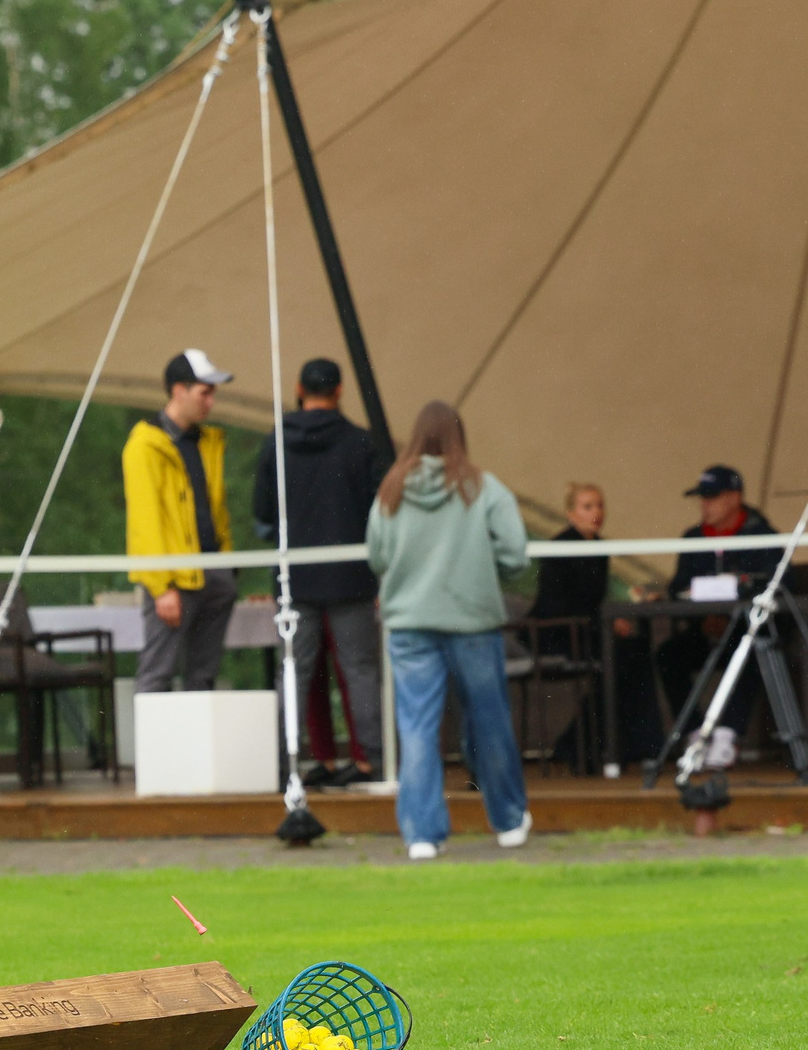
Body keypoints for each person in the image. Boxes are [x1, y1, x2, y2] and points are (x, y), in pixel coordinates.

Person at [367, 400, 531, 860]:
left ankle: (421, 833)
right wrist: (483, 568)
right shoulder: (484, 487)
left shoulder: (391, 489)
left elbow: (376, 556)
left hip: (410, 624)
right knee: (489, 718)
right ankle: (508, 820)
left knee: (417, 727)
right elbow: (517, 554)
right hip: (473, 619)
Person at [253, 357, 385, 784]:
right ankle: (372, 761)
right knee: (360, 670)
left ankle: (285, 764)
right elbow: (379, 513)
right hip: (351, 576)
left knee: (295, 671)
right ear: (339, 391)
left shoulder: (276, 441)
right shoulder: (362, 443)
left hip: (296, 577)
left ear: (298, 387)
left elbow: (263, 514)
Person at [527, 482, 662, 768]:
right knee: (623, 658)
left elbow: (594, 599)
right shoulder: (560, 548)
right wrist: (602, 623)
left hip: (588, 631)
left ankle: (638, 745)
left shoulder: (600, 548)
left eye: (600, 505)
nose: (596, 512)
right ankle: (588, 744)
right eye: (587, 506)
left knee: (635, 651)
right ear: (571, 513)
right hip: (559, 634)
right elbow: (556, 604)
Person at [125, 349, 237, 694]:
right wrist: (161, 587)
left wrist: (228, 565)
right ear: (178, 390)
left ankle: (196, 748)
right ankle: (154, 749)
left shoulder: (205, 441)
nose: (211, 403)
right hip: (175, 580)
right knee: (158, 672)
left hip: (212, 571)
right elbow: (146, 520)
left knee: (202, 674)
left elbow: (214, 508)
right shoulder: (145, 445)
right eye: (205, 392)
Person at [656, 465, 777, 772]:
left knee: (754, 650)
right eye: (702, 498)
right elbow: (678, 587)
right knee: (668, 655)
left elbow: (777, 586)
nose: (704, 505)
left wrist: (733, 617)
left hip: (744, 630)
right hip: (704, 631)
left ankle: (726, 734)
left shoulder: (761, 534)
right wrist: (703, 620)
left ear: (734, 498)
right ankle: (696, 733)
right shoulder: (692, 537)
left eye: (711, 497)